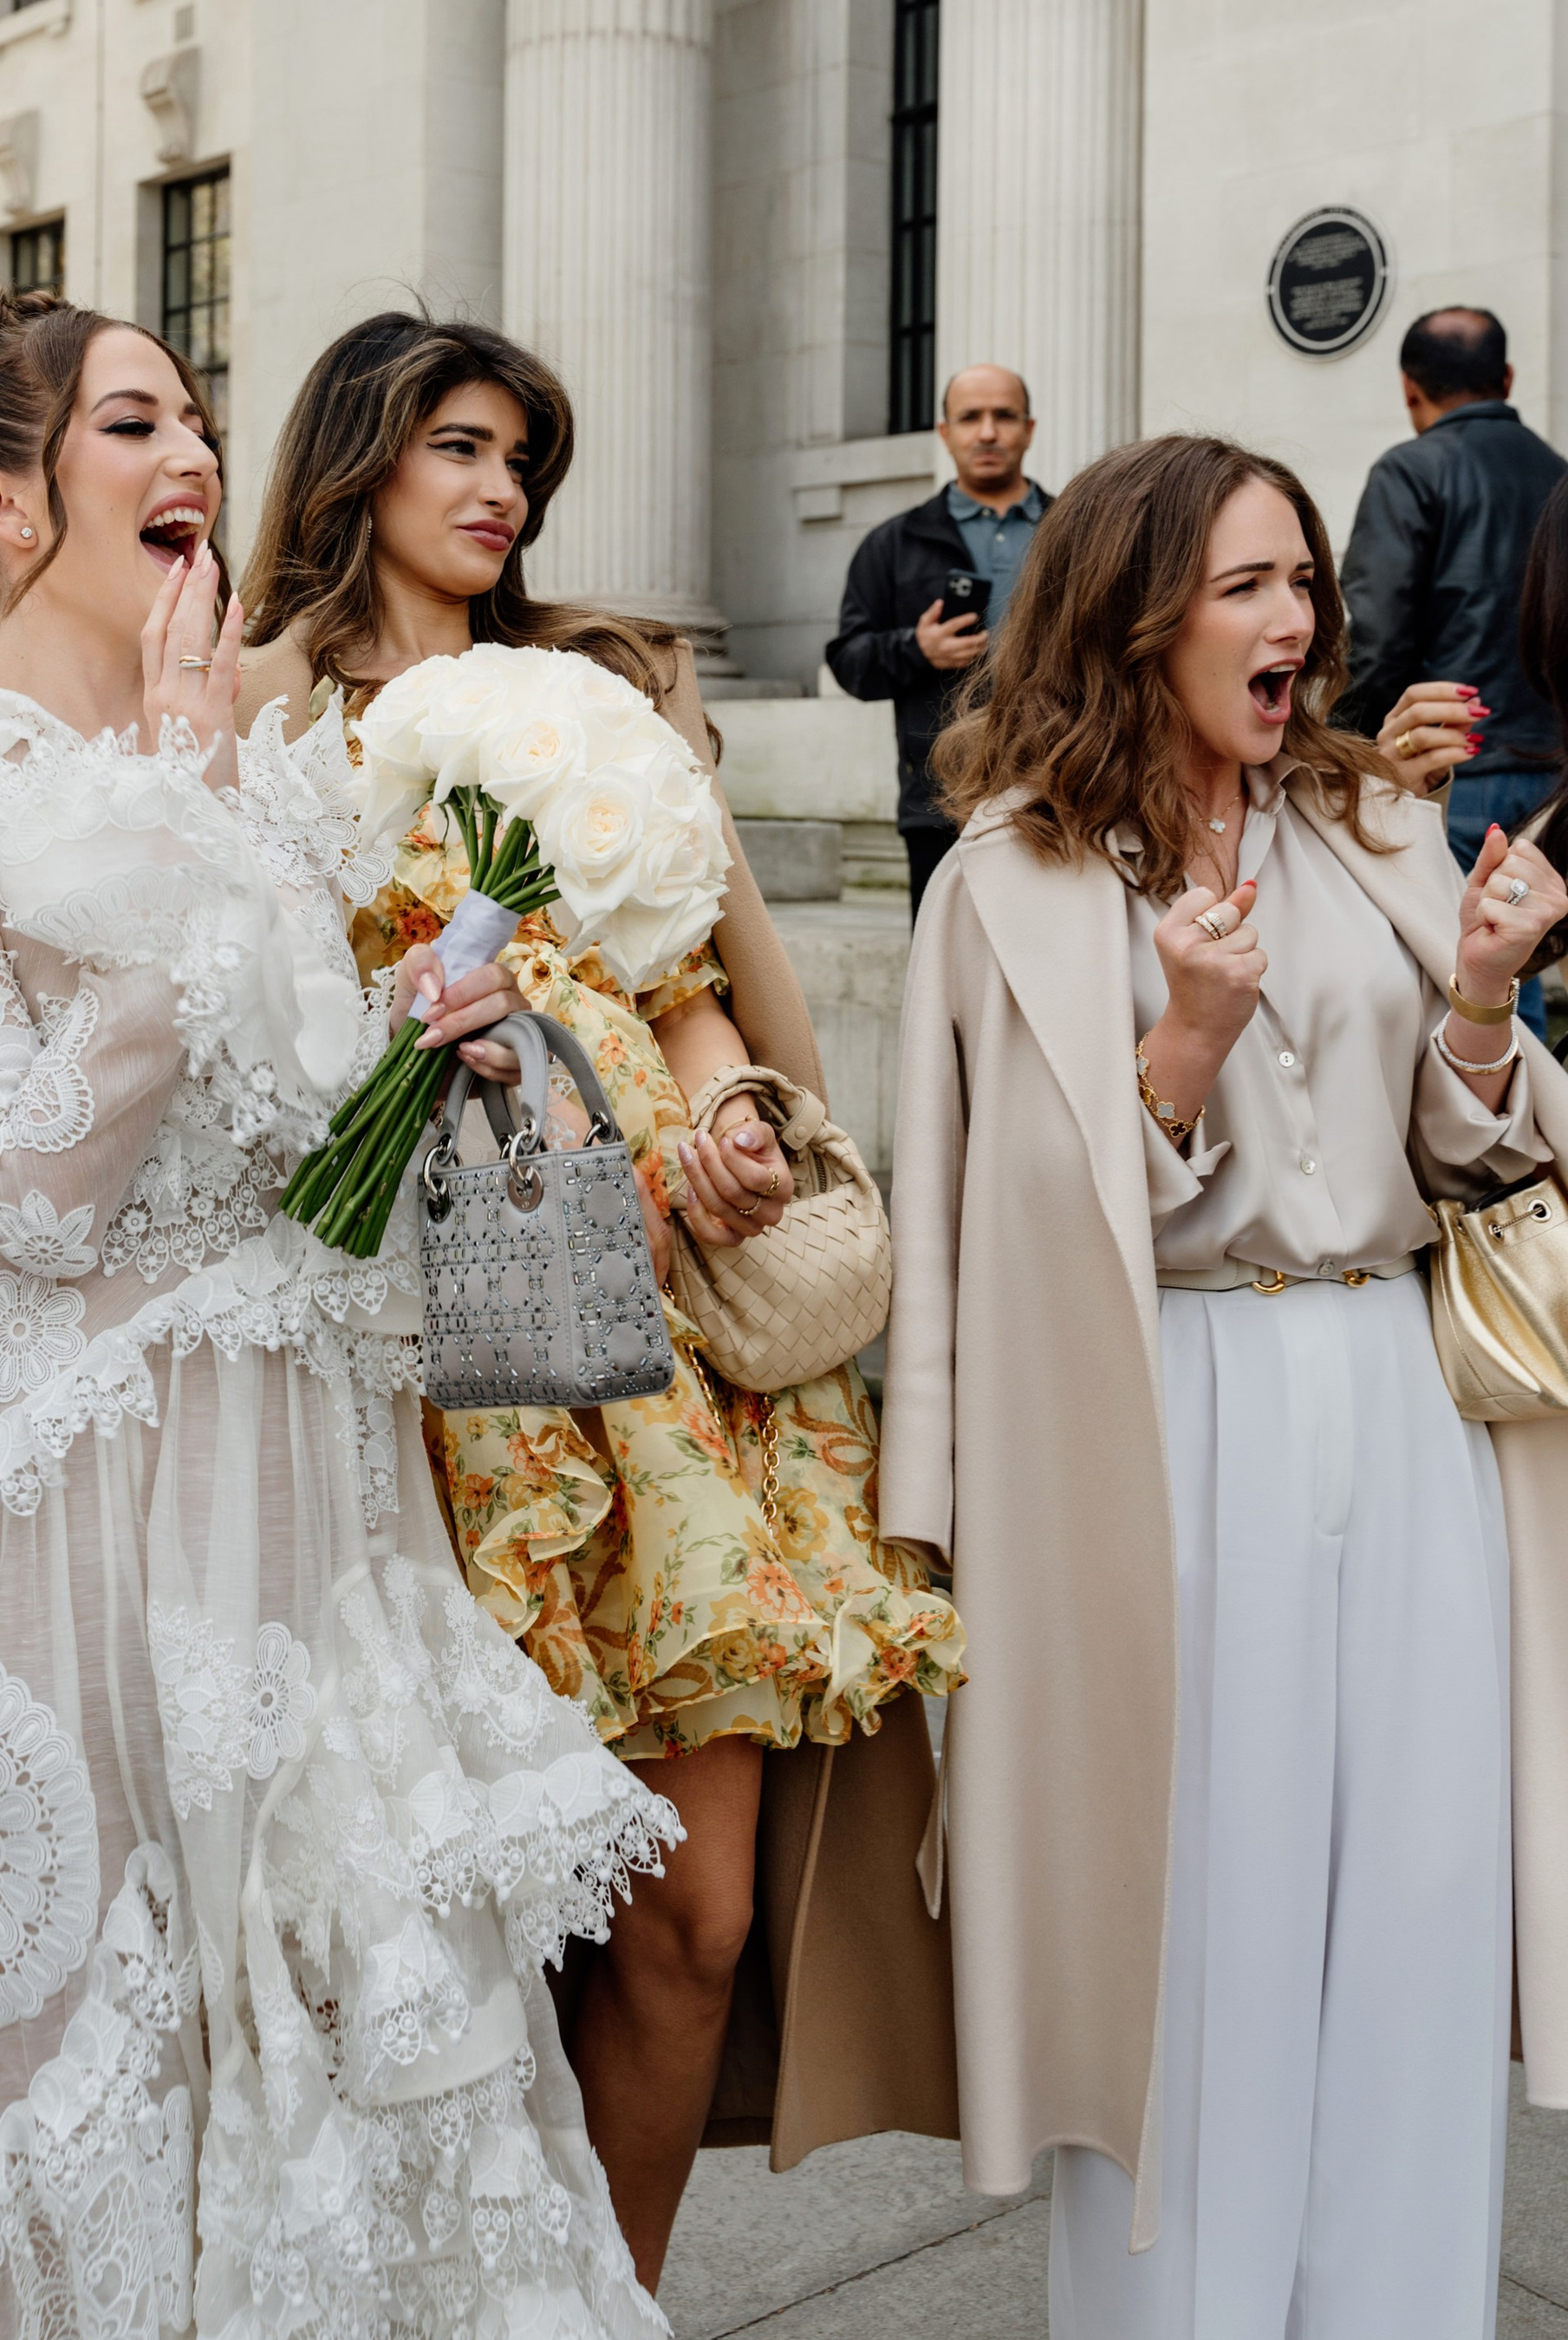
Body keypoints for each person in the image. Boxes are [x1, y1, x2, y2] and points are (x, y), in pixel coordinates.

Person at [0, 290, 677, 2340]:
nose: (196, 452)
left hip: (309, 1509)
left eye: (195, 414)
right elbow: (33, 1192)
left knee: (335, 2070)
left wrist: (431, 1036)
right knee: (87, 2076)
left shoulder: (255, 767)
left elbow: (294, 1145)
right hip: (70, 1526)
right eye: (134, 420)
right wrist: (171, 843)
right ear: (4, 498)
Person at [238, 310, 962, 2295]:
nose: (497, 491)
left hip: (649, 1359)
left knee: (688, 1919)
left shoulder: (591, 690)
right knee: (441, 1927)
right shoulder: (267, 718)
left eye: (518, 459)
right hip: (414, 1376)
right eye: (457, 446)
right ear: (358, 458)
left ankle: (603, 2302)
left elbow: (696, 986)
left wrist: (728, 1115)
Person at [882, 430, 1568, 2340]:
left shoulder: (1368, 827)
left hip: (1403, 1396)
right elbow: (994, 1228)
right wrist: (1179, 1046)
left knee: (1418, 1905)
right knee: (1197, 1925)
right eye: (1245, 585)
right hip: (1162, 1412)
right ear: (1136, 614)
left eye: (1302, 583)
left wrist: (1488, 1000)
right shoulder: (1006, 881)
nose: (1297, 621)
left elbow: (1473, 1154)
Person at [1341, 310, 1566, 1033]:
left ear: (1410, 389)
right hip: (1555, 767)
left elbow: (1376, 637)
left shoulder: (1409, 470)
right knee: (1517, 957)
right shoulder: (1557, 473)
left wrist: (1346, 755)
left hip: (1456, 764)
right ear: (1507, 378)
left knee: (1469, 966)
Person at [825, 365, 1051, 915]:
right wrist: (917, 649)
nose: (988, 432)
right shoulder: (893, 543)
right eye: (970, 418)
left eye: (1004, 416)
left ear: (1029, 429)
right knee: (942, 963)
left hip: (1060, 790)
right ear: (945, 433)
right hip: (939, 803)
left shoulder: (1076, 529)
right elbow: (849, 661)